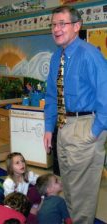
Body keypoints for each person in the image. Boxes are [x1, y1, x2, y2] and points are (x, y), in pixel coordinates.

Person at [43, 5, 107, 223]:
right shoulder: (55, 58)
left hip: (85, 125)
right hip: (63, 125)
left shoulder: (90, 55)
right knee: (68, 186)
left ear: (77, 26)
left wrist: (95, 131)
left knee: (82, 194)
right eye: (53, 24)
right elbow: (52, 96)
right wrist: (48, 129)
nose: (56, 29)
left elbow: (105, 95)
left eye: (62, 23)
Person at [3, 152, 40, 223]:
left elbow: (41, 180)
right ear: (10, 167)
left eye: (22, 161)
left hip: (25, 201)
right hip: (15, 207)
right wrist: (29, 209)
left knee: (37, 189)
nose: (22, 164)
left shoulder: (28, 175)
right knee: (32, 219)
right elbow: (12, 205)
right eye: (17, 163)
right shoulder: (8, 183)